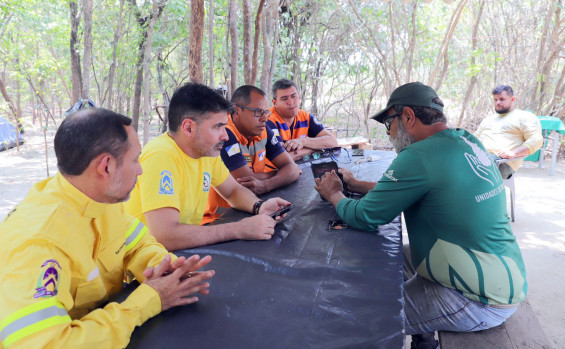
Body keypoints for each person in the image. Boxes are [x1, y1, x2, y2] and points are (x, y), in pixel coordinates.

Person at [314, 82, 527, 349]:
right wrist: (356, 185)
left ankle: (423, 336)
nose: (390, 133)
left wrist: (334, 194)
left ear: (408, 117)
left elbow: (365, 217)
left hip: (478, 298)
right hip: (503, 274)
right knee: (389, 255)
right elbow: (421, 187)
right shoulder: (465, 139)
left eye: (389, 124)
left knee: (362, 316)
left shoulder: (418, 155)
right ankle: (424, 341)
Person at [0, 108, 215, 348]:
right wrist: (149, 301)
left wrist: (163, 266)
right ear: (106, 167)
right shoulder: (36, 243)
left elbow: (137, 244)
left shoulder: (101, 198)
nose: (141, 169)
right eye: (136, 159)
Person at [125, 83, 290, 251]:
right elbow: (165, 235)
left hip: (178, 254)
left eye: (225, 126)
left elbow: (233, 191)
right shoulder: (161, 156)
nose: (225, 136)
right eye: (218, 126)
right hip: (141, 267)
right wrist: (238, 229)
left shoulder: (206, 152)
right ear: (188, 127)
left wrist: (259, 206)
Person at [203, 85, 300, 223]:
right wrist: (278, 173)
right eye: (257, 112)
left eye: (266, 112)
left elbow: (292, 169)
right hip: (220, 217)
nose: (264, 118)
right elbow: (245, 183)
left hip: (251, 206)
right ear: (236, 111)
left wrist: (266, 184)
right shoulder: (225, 134)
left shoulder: (263, 130)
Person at [475, 85, 543, 179]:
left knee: (467, 169)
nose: (498, 102)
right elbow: (474, 139)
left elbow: (536, 140)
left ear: (512, 99)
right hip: (477, 157)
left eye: (502, 99)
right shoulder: (488, 119)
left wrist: (514, 153)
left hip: (501, 163)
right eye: (495, 99)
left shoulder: (524, 117)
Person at [266, 79, 338, 161]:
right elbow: (284, 157)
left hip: (299, 167)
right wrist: (315, 148)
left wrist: (303, 141)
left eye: (293, 96)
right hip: (272, 171)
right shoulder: (268, 120)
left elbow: (333, 142)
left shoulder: (305, 117)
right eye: (284, 98)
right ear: (275, 103)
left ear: (299, 97)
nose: (291, 102)